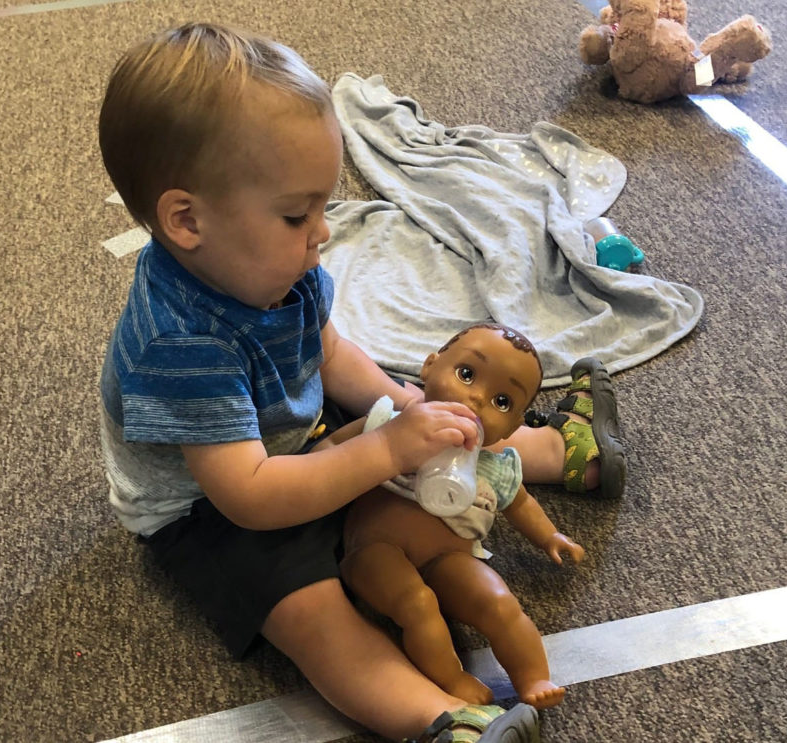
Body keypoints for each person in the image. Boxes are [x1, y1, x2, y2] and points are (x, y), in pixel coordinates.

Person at [97, 21, 623, 742]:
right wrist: (383, 452)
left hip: (291, 436)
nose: (323, 233)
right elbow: (248, 494)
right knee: (310, 610)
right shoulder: (179, 343)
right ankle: (441, 721)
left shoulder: (284, 264)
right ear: (186, 219)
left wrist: (409, 411)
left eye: (323, 205)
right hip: (209, 505)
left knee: (435, 416)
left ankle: (571, 453)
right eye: (296, 213)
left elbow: (332, 353)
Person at [325, 324, 586, 712]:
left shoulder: (493, 468)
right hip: (374, 550)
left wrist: (550, 537)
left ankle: (533, 675)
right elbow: (329, 451)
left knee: (499, 602)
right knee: (417, 603)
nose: (477, 399)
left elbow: (521, 504)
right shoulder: (387, 423)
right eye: (466, 375)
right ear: (428, 368)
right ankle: (450, 679)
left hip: (450, 559)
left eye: (501, 401)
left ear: (514, 427)